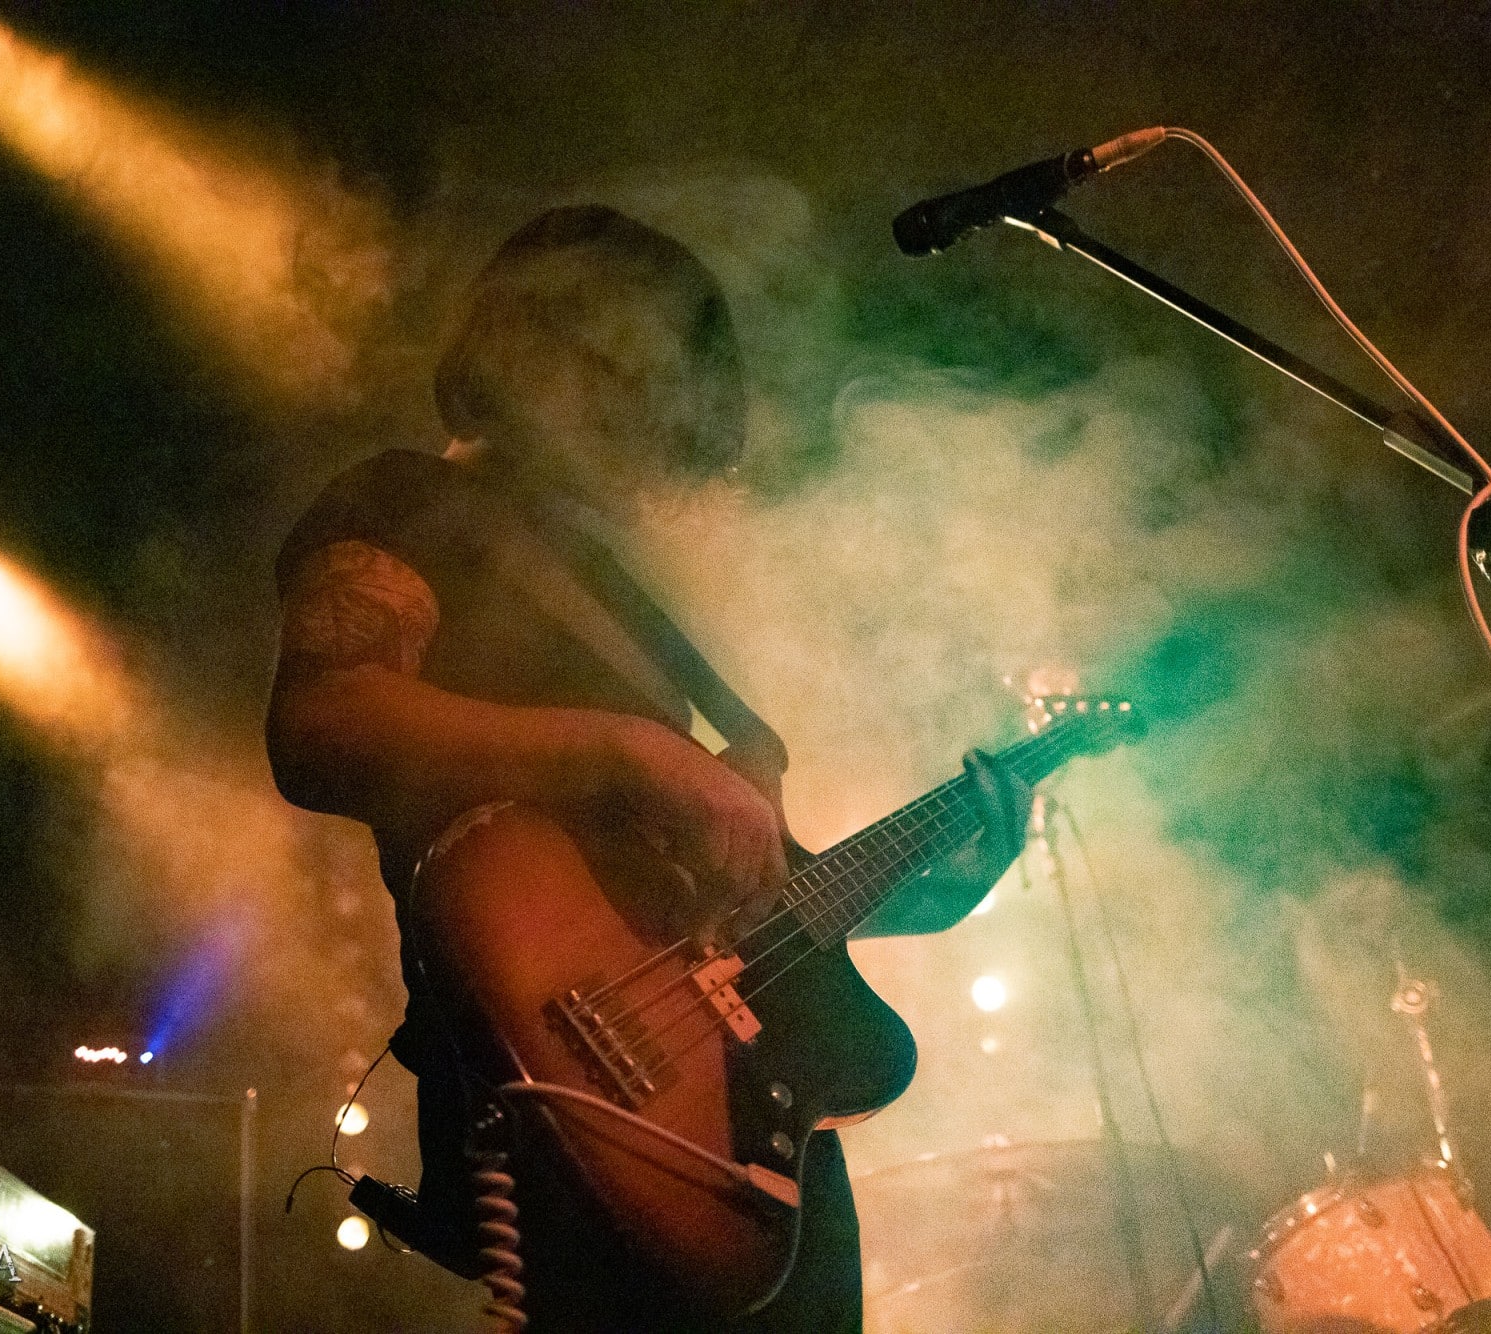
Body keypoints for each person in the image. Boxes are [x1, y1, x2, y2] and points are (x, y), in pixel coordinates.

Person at [266, 206, 1029, 1331]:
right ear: (546, 345)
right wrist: (627, 751)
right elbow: (321, 721)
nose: (665, 428)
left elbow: (746, 914)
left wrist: (943, 883)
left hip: (738, 1124)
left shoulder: (617, 591)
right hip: (568, 1092)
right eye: (646, 378)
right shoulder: (405, 500)